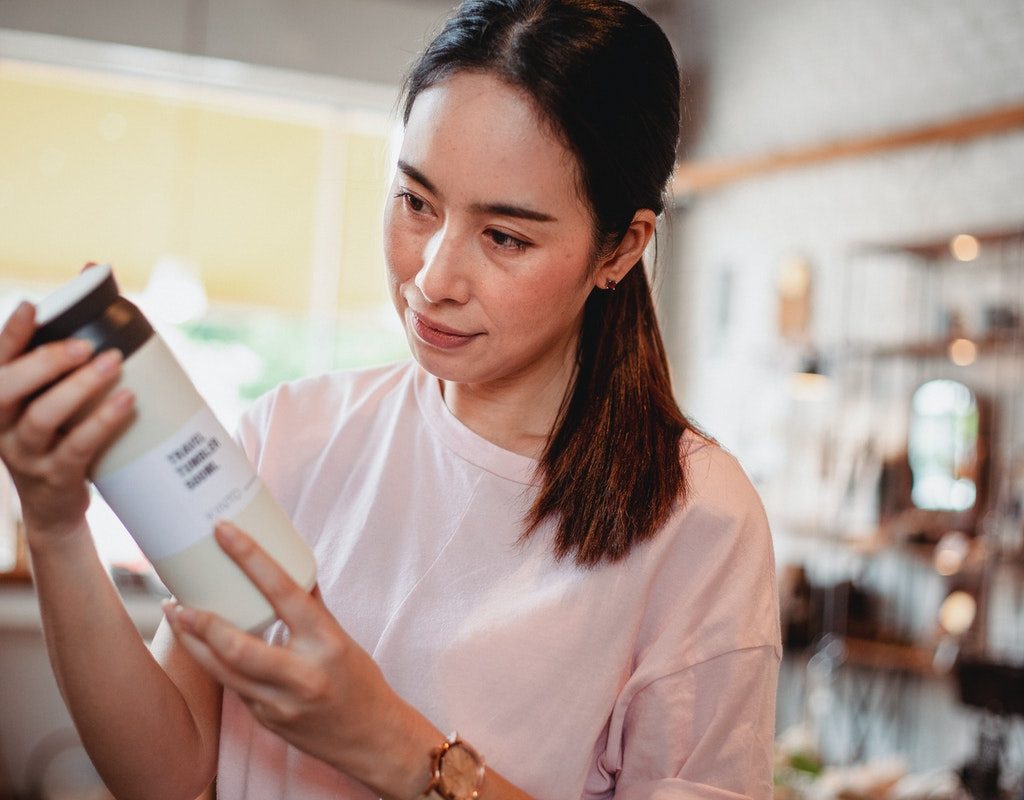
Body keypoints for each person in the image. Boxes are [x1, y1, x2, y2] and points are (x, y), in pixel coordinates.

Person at [0, 1, 781, 798]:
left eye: (504, 237)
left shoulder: (697, 520)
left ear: (621, 248)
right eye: (416, 202)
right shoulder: (292, 432)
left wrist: (391, 745)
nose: (432, 279)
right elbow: (165, 774)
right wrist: (57, 525)